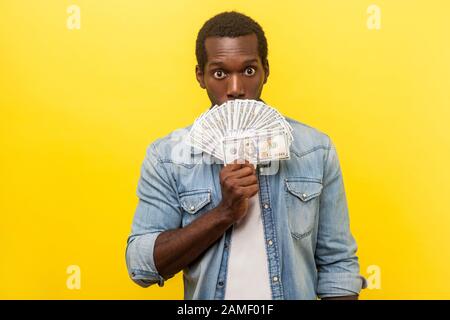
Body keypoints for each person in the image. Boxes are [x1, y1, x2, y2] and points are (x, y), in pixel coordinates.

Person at [125, 11, 367, 300]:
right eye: (220, 73)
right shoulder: (167, 157)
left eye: (248, 71)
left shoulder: (314, 149)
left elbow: (338, 267)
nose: (236, 88)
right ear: (200, 76)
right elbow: (141, 267)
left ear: (265, 70)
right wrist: (223, 213)